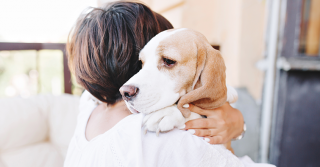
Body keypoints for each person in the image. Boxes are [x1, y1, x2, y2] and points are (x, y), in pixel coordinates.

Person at [64, 1, 247, 167]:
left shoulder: (89, 104)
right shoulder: (161, 136)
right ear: (137, 63)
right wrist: (238, 124)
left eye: (167, 60)